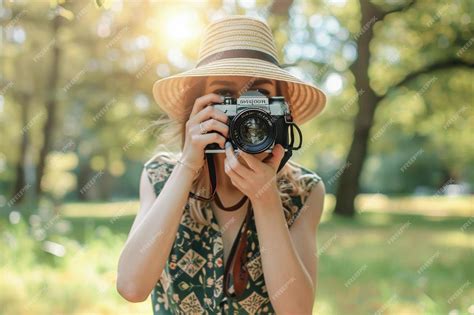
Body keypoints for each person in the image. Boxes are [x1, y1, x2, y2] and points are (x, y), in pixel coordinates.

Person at [117, 15, 327, 314]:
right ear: (198, 107)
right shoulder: (160, 176)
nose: (246, 112)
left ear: (282, 112)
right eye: (226, 95)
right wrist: (188, 166)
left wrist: (266, 201)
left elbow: (297, 311)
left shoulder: (303, 191)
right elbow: (131, 287)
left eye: (261, 95)